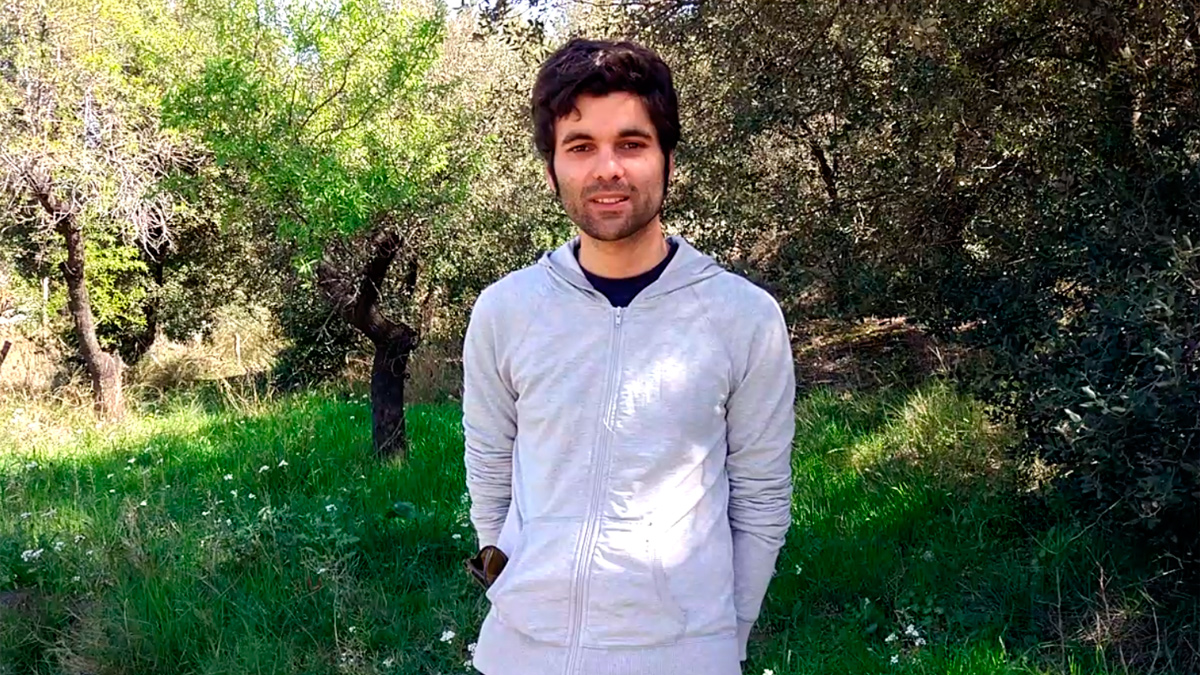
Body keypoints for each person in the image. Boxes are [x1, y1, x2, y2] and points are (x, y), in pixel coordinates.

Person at [462, 37, 796, 675]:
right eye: (580, 146)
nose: (607, 168)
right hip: (519, 653)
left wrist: (723, 637)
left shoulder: (744, 318)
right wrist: (506, 582)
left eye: (632, 143)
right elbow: (490, 467)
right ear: (551, 168)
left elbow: (761, 498)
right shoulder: (506, 310)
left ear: (667, 159)